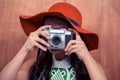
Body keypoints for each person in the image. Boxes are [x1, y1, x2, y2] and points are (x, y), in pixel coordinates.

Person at [0, 2, 107, 80]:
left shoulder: (90, 66)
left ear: (74, 35)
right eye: (50, 30)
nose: (54, 38)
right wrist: (24, 50)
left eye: (60, 32)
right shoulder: (34, 64)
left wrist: (86, 57)